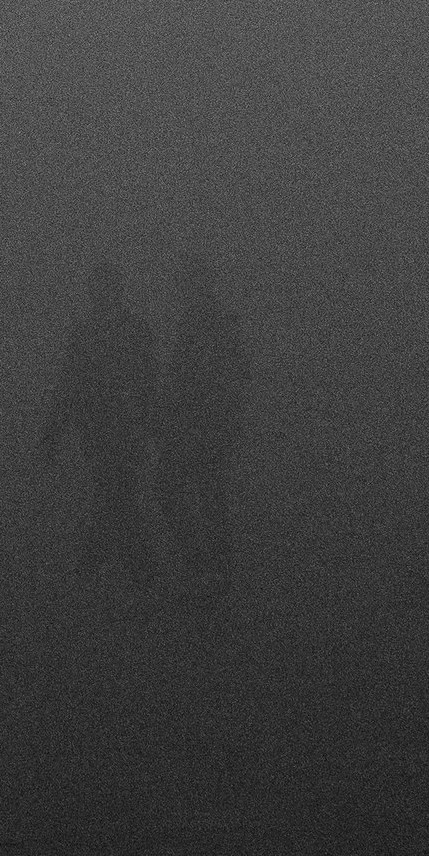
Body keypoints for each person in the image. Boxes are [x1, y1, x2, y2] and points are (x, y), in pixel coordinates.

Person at [37, 261, 160, 587]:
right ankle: (133, 572)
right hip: (103, 431)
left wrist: (54, 431)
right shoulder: (106, 333)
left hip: (118, 430)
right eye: (97, 288)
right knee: (117, 495)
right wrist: (54, 430)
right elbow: (70, 385)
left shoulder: (126, 332)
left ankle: (105, 571)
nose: (98, 294)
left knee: (114, 496)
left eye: (101, 288)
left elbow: (149, 385)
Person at [154, 256, 251, 615]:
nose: (181, 288)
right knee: (206, 492)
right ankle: (214, 571)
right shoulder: (219, 321)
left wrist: (174, 412)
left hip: (201, 423)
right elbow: (241, 370)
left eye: (186, 281)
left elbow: (194, 377)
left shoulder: (202, 323)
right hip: (212, 423)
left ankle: (205, 569)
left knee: (177, 487)